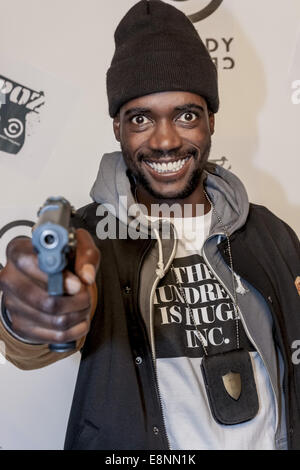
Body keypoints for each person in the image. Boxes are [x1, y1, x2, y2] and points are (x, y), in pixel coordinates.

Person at [0, 0, 299, 451]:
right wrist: (30, 320)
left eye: (186, 115)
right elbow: (29, 344)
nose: (165, 140)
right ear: (117, 127)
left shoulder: (271, 232)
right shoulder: (88, 239)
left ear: (211, 121)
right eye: (141, 118)